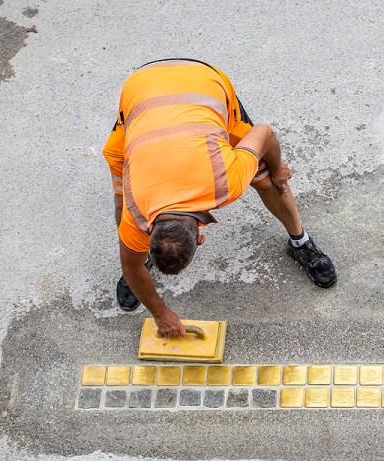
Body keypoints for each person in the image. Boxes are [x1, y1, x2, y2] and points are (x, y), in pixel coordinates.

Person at [103, 58, 336, 337]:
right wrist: (160, 313)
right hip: (141, 89)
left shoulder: (225, 182)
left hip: (202, 83)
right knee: (121, 198)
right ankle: (144, 261)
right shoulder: (135, 207)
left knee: (269, 183)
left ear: (200, 237)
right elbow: (129, 266)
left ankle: (300, 242)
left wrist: (277, 169)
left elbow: (263, 133)